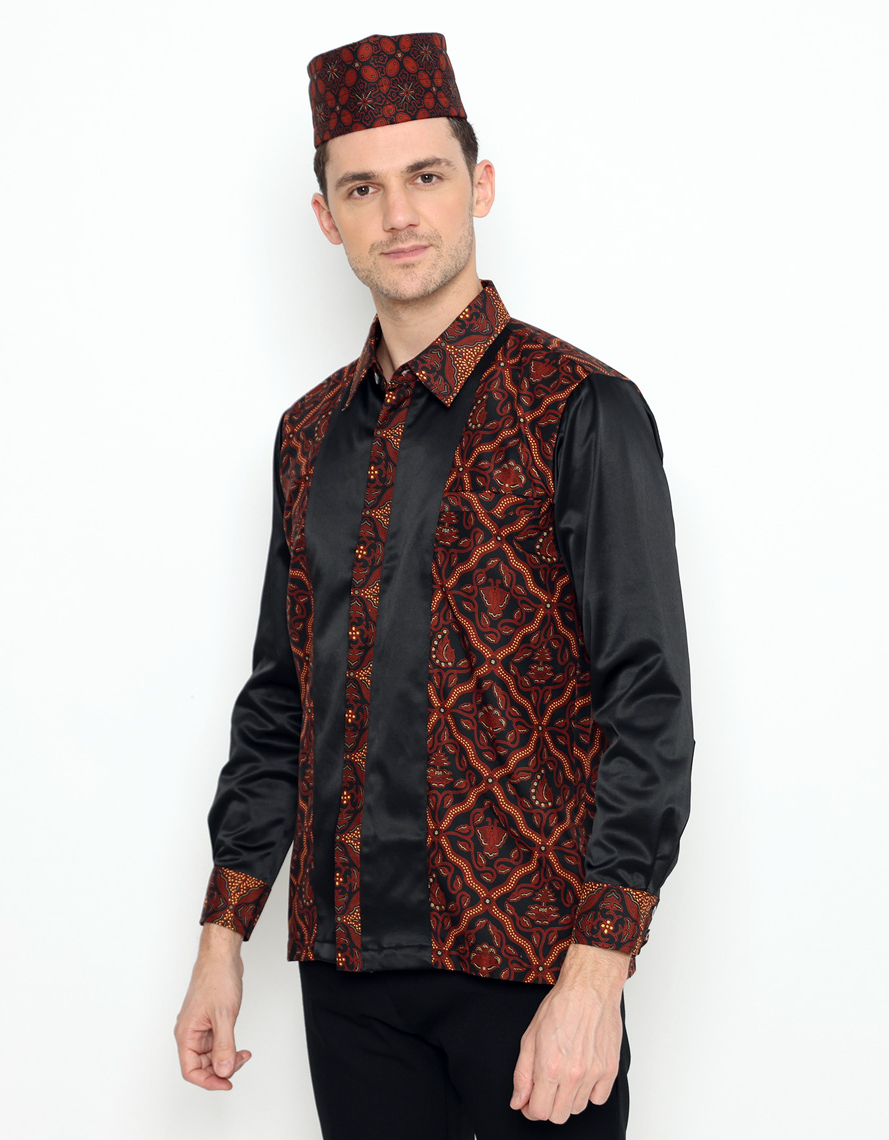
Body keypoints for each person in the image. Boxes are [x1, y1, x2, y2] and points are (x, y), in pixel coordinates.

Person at [174, 31, 695, 1140]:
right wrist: (222, 940)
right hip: (347, 971)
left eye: (426, 175)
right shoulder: (307, 436)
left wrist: (597, 976)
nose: (399, 214)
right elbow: (280, 703)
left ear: (480, 186)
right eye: (362, 188)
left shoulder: (581, 409)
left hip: (532, 970)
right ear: (327, 217)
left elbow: (647, 706)